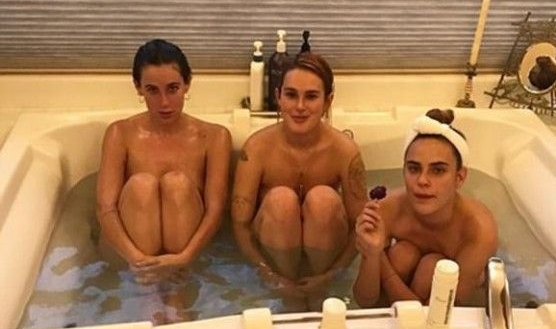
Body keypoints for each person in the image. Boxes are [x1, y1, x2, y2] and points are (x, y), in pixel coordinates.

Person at [231, 52, 367, 307]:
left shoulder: (344, 151)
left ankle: (317, 291)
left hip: (326, 258)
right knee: (281, 201)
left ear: (328, 101)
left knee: (323, 200)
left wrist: (329, 276)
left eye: (311, 96)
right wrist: (270, 277)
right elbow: (240, 225)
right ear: (278, 96)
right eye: (291, 95)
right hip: (274, 257)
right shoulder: (257, 148)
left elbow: (361, 226)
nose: (300, 106)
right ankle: (289, 291)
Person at [96, 39, 232, 287]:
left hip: (189, 254)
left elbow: (215, 211)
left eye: (172, 89)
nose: (164, 102)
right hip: (128, 255)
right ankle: (149, 295)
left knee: (176, 184)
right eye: (152, 90)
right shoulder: (120, 133)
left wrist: (185, 257)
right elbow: (106, 209)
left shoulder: (214, 137)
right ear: (138, 88)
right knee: (141, 185)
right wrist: (138, 261)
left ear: (187, 84)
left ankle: (176, 294)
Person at [353, 109, 498, 308]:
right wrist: (372, 253)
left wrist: (383, 265)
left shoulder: (478, 229)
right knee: (402, 255)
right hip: (411, 299)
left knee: (433, 267)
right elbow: (365, 301)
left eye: (437, 170)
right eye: (414, 168)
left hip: (453, 310)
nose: (422, 181)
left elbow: (439, 317)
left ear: (459, 177)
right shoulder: (388, 209)